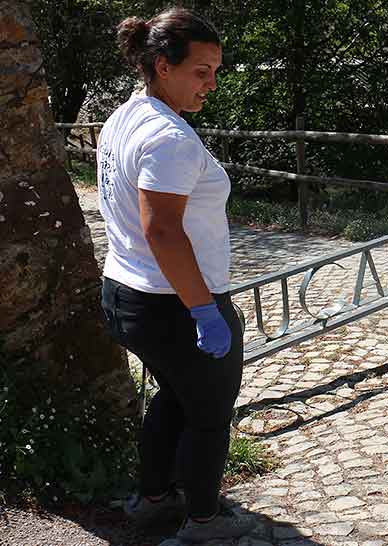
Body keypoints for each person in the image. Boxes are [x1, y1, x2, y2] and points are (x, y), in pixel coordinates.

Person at [98, 8, 254, 542]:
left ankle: (155, 496)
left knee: (174, 394)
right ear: (163, 66)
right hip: (176, 302)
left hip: (127, 292)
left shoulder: (125, 116)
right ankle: (203, 522)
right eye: (201, 71)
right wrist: (205, 311)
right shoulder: (170, 139)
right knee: (209, 415)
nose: (212, 83)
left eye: (216, 70)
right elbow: (162, 230)